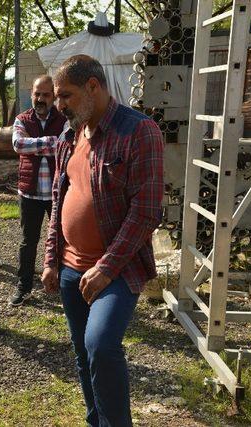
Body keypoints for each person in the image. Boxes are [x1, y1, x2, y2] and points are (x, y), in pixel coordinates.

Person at [41, 55, 164, 426]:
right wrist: (50, 259)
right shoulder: (70, 135)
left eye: (66, 95)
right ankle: (97, 421)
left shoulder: (139, 132)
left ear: (93, 87)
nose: (58, 104)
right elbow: (58, 199)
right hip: (69, 268)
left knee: (101, 346)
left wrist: (105, 268)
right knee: (83, 354)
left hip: (116, 269)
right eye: (57, 97)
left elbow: (146, 213)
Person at [9, 75, 66, 306]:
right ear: (31, 94)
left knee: (63, 240)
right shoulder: (22, 119)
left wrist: (35, 144)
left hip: (57, 192)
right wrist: (50, 143)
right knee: (28, 241)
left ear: (53, 96)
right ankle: (23, 285)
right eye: (37, 94)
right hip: (30, 193)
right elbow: (18, 145)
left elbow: (66, 145)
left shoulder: (64, 119)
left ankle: (62, 284)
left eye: (45, 94)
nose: (40, 99)